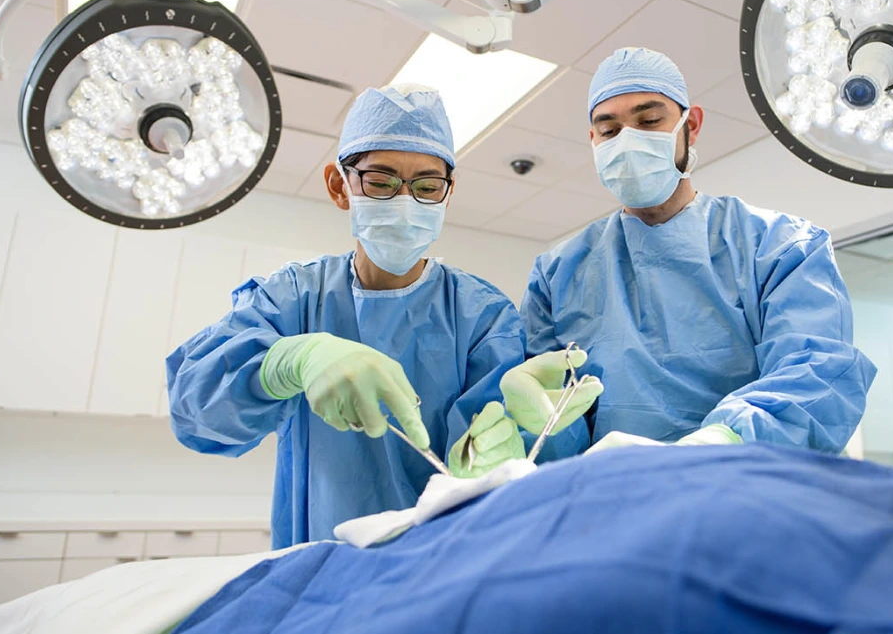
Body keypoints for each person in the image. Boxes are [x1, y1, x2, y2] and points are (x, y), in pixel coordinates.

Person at [170, 325, 893, 634]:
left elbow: (816, 367)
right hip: (355, 551)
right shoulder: (879, 509)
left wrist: (723, 438)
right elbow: (494, 492)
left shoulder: (749, 574)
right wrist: (277, 363)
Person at [166, 85, 585, 549]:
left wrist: (510, 446)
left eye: (426, 186)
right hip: (324, 559)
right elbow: (194, 411)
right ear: (339, 186)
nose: (405, 202)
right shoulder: (293, 300)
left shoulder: (482, 316)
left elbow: (518, 478)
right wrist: (288, 361)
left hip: (445, 560)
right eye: (381, 181)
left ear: (447, 195)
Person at [506, 47, 875, 453]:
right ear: (593, 141)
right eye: (610, 131)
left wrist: (723, 440)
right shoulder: (557, 274)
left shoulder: (780, 248)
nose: (629, 141)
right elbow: (547, 421)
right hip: (610, 498)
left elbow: (816, 375)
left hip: (742, 488)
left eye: (649, 121)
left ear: (691, 125)